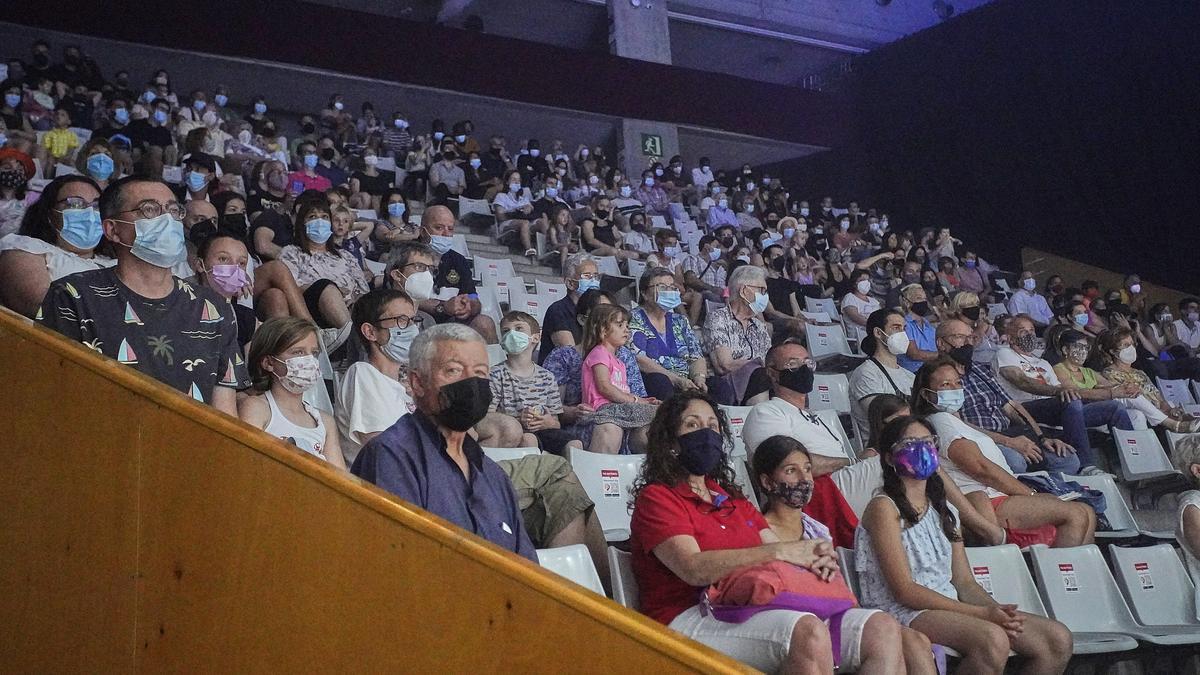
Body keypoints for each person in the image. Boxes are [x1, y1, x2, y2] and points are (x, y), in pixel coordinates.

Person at [629, 390, 866, 674]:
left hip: (744, 603)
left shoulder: (731, 499)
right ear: (670, 441)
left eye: (712, 426)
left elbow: (777, 549)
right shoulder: (657, 498)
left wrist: (815, 559)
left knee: (880, 629)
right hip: (686, 616)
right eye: (692, 425)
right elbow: (692, 569)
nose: (705, 433)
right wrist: (780, 551)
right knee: (808, 632)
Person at [855, 414, 1072, 674]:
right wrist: (981, 614)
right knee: (992, 639)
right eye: (911, 443)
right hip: (902, 611)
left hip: (949, 604)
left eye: (928, 442)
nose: (922, 449)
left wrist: (994, 609)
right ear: (889, 458)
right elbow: (904, 591)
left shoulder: (945, 511)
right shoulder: (883, 507)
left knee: (1057, 640)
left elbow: (964, 582)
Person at [37, 176, 249, 414]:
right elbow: (52, 394)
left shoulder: (214, 306)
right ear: (113, 229)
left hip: (190, 446)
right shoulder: (72, 295)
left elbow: (225, 414)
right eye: (149, 210)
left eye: (173, 210)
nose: (166, 219)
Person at [350, 323, 536, 560]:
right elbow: (400, 566)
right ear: (417, 383)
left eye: (480, 373)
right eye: (454, 370)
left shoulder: (493, 475)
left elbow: (528, 570)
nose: (471, 382)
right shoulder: (391, 457)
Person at [753, 435, 936, 674]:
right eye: (791, 471)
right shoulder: (759, 533)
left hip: (835, 615)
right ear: (767, 482)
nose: (804, 478)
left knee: (914, 642)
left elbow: (838, 588)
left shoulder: (816, 529)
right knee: (893, 639)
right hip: (795, 625)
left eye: (807, 469)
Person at [914, 358, 1096, 548]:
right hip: (988, 502)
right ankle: (1054, 572)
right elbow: (980, 468)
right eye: (945, 385)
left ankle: (1066, 571)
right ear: (927, 395)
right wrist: (1031, 495)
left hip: (1002, 496)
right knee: (1075, 514)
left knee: (1087, 512)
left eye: (958, 382)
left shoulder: (954, 421)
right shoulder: (939, 420)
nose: (955, 388)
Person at [938, 318, 1094, 475]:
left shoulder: (980, 369)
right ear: (941, 343)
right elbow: (957, 425)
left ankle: (1053, 491)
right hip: (981, 440)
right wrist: (1009, 442)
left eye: (970, 337)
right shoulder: (936, 376)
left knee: (1067, 459)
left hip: (1010, 432)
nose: (967, 343)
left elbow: (1012, 407)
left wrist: (1041, 437)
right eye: (959, 337)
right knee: (1016, 461)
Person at [994, 315, 1129, 469]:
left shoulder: (1044, 363)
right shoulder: (1004, 353)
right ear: (1010, 338)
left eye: (1031, 330)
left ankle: (1131, 462)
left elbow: (1062, 392)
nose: (1030, 334)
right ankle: (1086, 466)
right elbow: (1021, 381)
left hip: (1052, 408)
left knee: (1114, 408)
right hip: (1024, 408)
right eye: (1023, 331)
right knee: (1070, 399)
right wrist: (1058, 391)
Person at [543, 289, 648, 454]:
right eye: (604, 313)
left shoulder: (625, 356)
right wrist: (574, 412)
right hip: (588, 423)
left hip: (625, 418)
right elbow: (551, 408)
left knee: (651, 432)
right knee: (609, 428)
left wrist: (645, 403)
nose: (611, 316)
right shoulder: (562, 356)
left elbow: (635, 395)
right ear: (584, 320)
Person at [238, 317, 346, 469]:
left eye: (314, 353)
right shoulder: (256, 408)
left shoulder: (325, 421)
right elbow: (248, 464)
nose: (309, 360)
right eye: (298, 352)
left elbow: (340, 479)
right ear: (268, 362)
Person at [0, 175, 114, 317]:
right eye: (75, 204)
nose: (89, 213)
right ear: (50, 214)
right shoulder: (26, 248)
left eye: (97, 205)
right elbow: (42, 307)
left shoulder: (117, 263)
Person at [336, 287, 419, 466]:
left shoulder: (406, 389)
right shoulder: (363, 374)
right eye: (401, 320)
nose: (412, 329)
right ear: (370, 332)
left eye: (413, 321)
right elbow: (384, 452)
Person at [743, 341, 851, 477]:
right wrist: (850, 463)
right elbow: (786, 463)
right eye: (792, 364)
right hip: (815, 489)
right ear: (772, 373)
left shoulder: (821, 418)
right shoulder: (766, 412)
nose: (804, 368)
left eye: (807, 363)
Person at [1051, 329, 1190, 432]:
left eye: (1085, 347)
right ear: (1065, 349)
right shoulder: (1059, 368)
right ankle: (1170, 424)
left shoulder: (1089, 372)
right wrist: (1110, 391)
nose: (1083, 351)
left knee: (1128, 395)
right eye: (1078, 347)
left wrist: (1125, 387)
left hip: (1100, 405)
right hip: (1079, 410)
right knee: (1127, 395)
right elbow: (1074, 392)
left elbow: (1111, 385)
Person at [277, 197, 368, 350]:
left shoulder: (345, 256)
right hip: (313, 311)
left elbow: (364, 288)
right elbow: (290, 287)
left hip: (351, 308)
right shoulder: (291, 253)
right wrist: (334, 291)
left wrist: (353, 297)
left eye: (324, 217)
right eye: (312, 217)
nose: (319, 221)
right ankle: (357, 344)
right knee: (326, 286)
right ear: (302, 223)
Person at [490, 311, 574, 454]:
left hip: (544, 431)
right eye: (506, 331)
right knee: (529, 439)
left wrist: (548, 422)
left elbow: (556, 421)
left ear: (535, 338)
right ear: (502, 342)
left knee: (574, 444)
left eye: (518, 329)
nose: (511, 334)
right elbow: (489, 417)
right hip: (516, 434)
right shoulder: (495, 374)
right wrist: (518, 419)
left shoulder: (547, 376)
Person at [580, 304, 658, 453]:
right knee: (659, 412)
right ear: (603, 330)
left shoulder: (620, 362)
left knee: (654, 416)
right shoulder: (599, 353)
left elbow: (624, 392)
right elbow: (605, 387)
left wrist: (642, 402)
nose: (626, 329)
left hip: (617, 409)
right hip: (602, 410)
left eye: (627, 325)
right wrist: (637, 401)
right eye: (620, 324)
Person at [1097, 328, 1200, 432]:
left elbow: (1158, 396)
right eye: (1126, 345)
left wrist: (1168, 409)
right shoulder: (1108, 373)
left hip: (1157, 413)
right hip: (1141, 415)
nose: (1131, 348)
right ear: (1113, 351)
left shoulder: (1139, 373)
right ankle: (1174, 425)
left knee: (1171, 405)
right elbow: (1127, 399)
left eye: (1132, 344)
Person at [628, 267, 707, 401]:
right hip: (655, 380)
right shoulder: (633, 318)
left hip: (685, 381)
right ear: (644, 293)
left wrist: (699, 378)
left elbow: (696, 356)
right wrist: (676, 379)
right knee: (660, 382)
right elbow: (639, 359)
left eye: (671, 287)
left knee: (718, 385)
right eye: (662, 287)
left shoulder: (680, 321)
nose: (669, 291)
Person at [703, 265, 773, 406]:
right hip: (728, 386)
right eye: (761, 290)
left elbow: (769, 361)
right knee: (760, 373)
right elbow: (724, 365)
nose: (765, 296)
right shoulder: (718, 318)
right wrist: (758, 366)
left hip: (762, 383)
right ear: (743, 291)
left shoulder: (759, 326)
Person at [849, 309, 915, 437]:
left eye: (904, 328)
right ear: (878, 333)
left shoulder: (910, 376)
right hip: (883, 446)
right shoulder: (866, 373)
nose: (903, 334)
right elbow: (881, 418)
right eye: (896, 328)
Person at [538, 252, 600, 363]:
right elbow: (570, 355)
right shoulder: (558, 311)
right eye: (587, 276)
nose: (593, 281)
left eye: (595, 276)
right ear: (570, 283)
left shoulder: (598, 310)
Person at [897, 284, 938, 372]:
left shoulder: (929, 326)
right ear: (907, 302)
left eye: (925, 299)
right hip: (913, 373)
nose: (923, 301)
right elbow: (914, 354)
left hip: (931, 370)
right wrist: (941, 355)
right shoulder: (904, 325)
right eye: (919, 298)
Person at [841, 269, 880, 342]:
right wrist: (876, 324)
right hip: (859, 338)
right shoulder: (850, 298)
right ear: (854, 283)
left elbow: (880, 316)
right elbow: (856, 317)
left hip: (875, 335)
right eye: (862, 280)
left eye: (868, 280)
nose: (866, 282)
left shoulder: (874, 301)